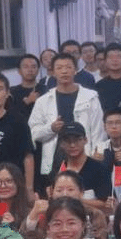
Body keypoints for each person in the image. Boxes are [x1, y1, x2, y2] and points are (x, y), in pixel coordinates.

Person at [29, 52, 105, 180]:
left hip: (85, 156)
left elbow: (99, 130)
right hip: (55, 158)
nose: (64, 71)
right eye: (59, 68)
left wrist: (99, 152)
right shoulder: (43, 101)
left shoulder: (91, 97)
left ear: (75, 70)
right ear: (53, 72)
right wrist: (51, 128)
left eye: (68, 67)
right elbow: (33, 133)